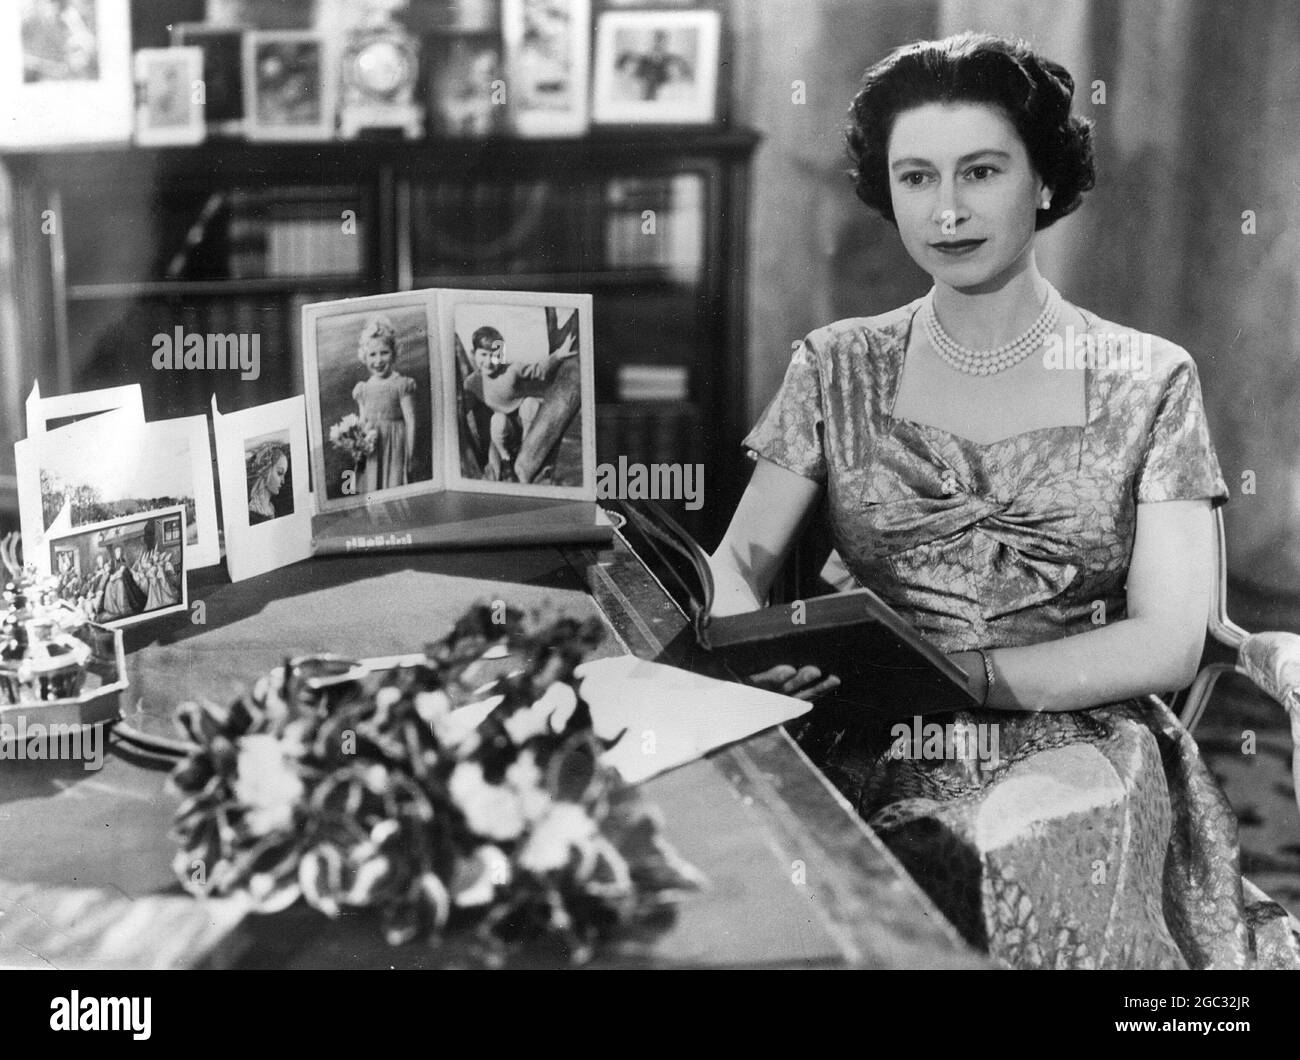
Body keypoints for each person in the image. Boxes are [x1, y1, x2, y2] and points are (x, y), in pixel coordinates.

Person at [709, 31, 1299, 969]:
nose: (945, 211)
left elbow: (1172, 638)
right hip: (866, 727)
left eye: (981, 172)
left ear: (1044, 181)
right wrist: (751, 653)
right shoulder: (836, 366)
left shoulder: (1147, 380)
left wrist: (971, 677)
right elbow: (736, 563)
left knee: (1023, 845)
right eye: (915, 178)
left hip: (1079, 731)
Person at [463, 324, 577, 482]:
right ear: (473, 353)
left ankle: (527, 447)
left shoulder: (512, 369)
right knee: (498, 419)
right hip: (503, 428)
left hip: (524, 422)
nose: (489, 361)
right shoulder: (472, 383)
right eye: (483, 354)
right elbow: (462, 406)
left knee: (530, 403)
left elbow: (539, 370)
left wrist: (559, 355)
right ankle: (506, 459)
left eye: (494, 355)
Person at [351, 314, 417, 493]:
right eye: (372, 354)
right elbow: (363, 421)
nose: (378, 361)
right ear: (365, 357)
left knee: (394, 488)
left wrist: (409, 458)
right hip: (372, 449)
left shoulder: (402, 384)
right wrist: (357, 445)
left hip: (395, 446)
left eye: (384, 353)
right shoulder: (363, 389)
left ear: (394, 353)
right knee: (371, 488)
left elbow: (410, 423)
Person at [98, 545, 146, 621]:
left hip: (122, 580)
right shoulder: (113, 564)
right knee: (108, 585)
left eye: (119, 551)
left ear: (121, 553)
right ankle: (111, 608)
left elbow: (123, 572)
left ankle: (123, 608)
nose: (118, 553)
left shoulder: (123, 563)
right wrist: (113, 577)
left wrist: (117, 575)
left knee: (120, 584)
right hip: (115, 580)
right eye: (116, 551)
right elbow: (112, 574)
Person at [247, 441, 290, 525]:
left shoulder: (271, 508)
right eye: (279, 473)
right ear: (266, 471)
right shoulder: (252, 512)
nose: (283, 481)